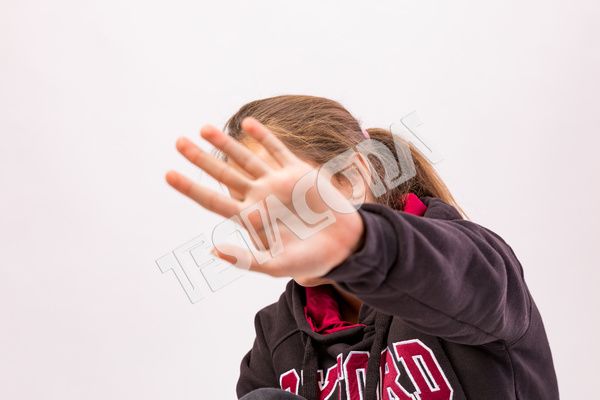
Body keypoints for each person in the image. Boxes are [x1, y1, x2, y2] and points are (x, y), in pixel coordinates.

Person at [165, 95, 559, 400]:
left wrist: (356, 239)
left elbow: (450, 274)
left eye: (288, 198)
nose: (266, 224)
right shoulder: (276, 334)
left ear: (353, 177)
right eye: (248, 206)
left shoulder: (472, 264)